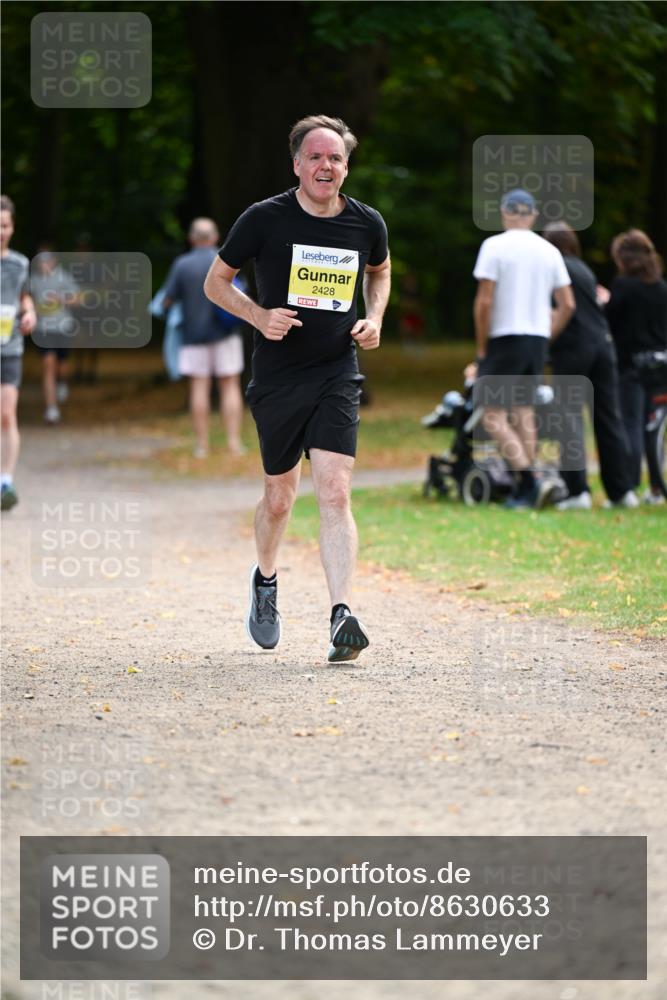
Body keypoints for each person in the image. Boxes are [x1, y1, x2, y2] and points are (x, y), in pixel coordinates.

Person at [204, 114, 390, 662]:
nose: (325, 166)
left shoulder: (366, 223)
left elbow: (379, 271)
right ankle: (265, 580)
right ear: (297, 165)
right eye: (315, 157)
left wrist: (375, 317)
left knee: (335, 491)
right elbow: (216, 282)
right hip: (279, 376)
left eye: (335, 158)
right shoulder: (264, 218)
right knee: (280, 497)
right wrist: (259, 316)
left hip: (337, 372)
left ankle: (341, 615)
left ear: (346, 167)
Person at [472, 188, 575, 509]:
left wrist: (482, 347)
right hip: (536, 340)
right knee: (523, 412)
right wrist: (546, 336)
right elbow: (567, 304)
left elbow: (484, 302)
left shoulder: (494, 246)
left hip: (504, 338)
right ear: (533, 215)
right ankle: (527, 489)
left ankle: (530, 480)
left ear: (505, 212)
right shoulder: (549, 251)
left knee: (492, 415)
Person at [543, 222, 638, 509]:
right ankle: (621, 492)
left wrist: (547, 341)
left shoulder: (555, 268)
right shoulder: (583, 269)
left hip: (574, 347)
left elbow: (562, 308)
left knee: (569, 417)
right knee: (609, 418)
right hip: (603, 346)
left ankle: (577, 491)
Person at [163, 217, 245, 458]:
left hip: (193, 336)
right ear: (215, 237)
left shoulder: (182, 265)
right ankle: (234, 443)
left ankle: (202, 445)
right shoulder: (225, 259)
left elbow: (167, 300)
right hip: (226, 334)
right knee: (230, 385)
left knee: (199, 387)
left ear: (191, 238)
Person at [605, 229, 667, 504]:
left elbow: (611, 321)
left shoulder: (624, 287)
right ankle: (656, 487)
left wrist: (604, 302)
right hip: (659, 365)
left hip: (631, 365)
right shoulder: (660, 287)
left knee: (630, 423)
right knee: (654, 428)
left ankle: (628, 485)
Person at [1, 195, 36, 511]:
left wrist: (29, 313)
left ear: (12, 228)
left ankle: (6, 481)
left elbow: (25, 297)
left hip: (9, 347)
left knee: (7, 414)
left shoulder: (20, 264)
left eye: (5, 226)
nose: (1, 232)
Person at [31, 247, 80, 425]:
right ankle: (51, 409)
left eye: (47, 261)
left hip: (63, 326)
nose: (43, 265)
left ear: (54, 261)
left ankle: (61, 381)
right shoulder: (33, 280)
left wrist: (61, 300)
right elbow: (27, 300)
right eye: (40, 261)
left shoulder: (64, 277)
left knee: (61, 365)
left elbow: (78, 299)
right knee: (48, 365)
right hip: (44, 329)